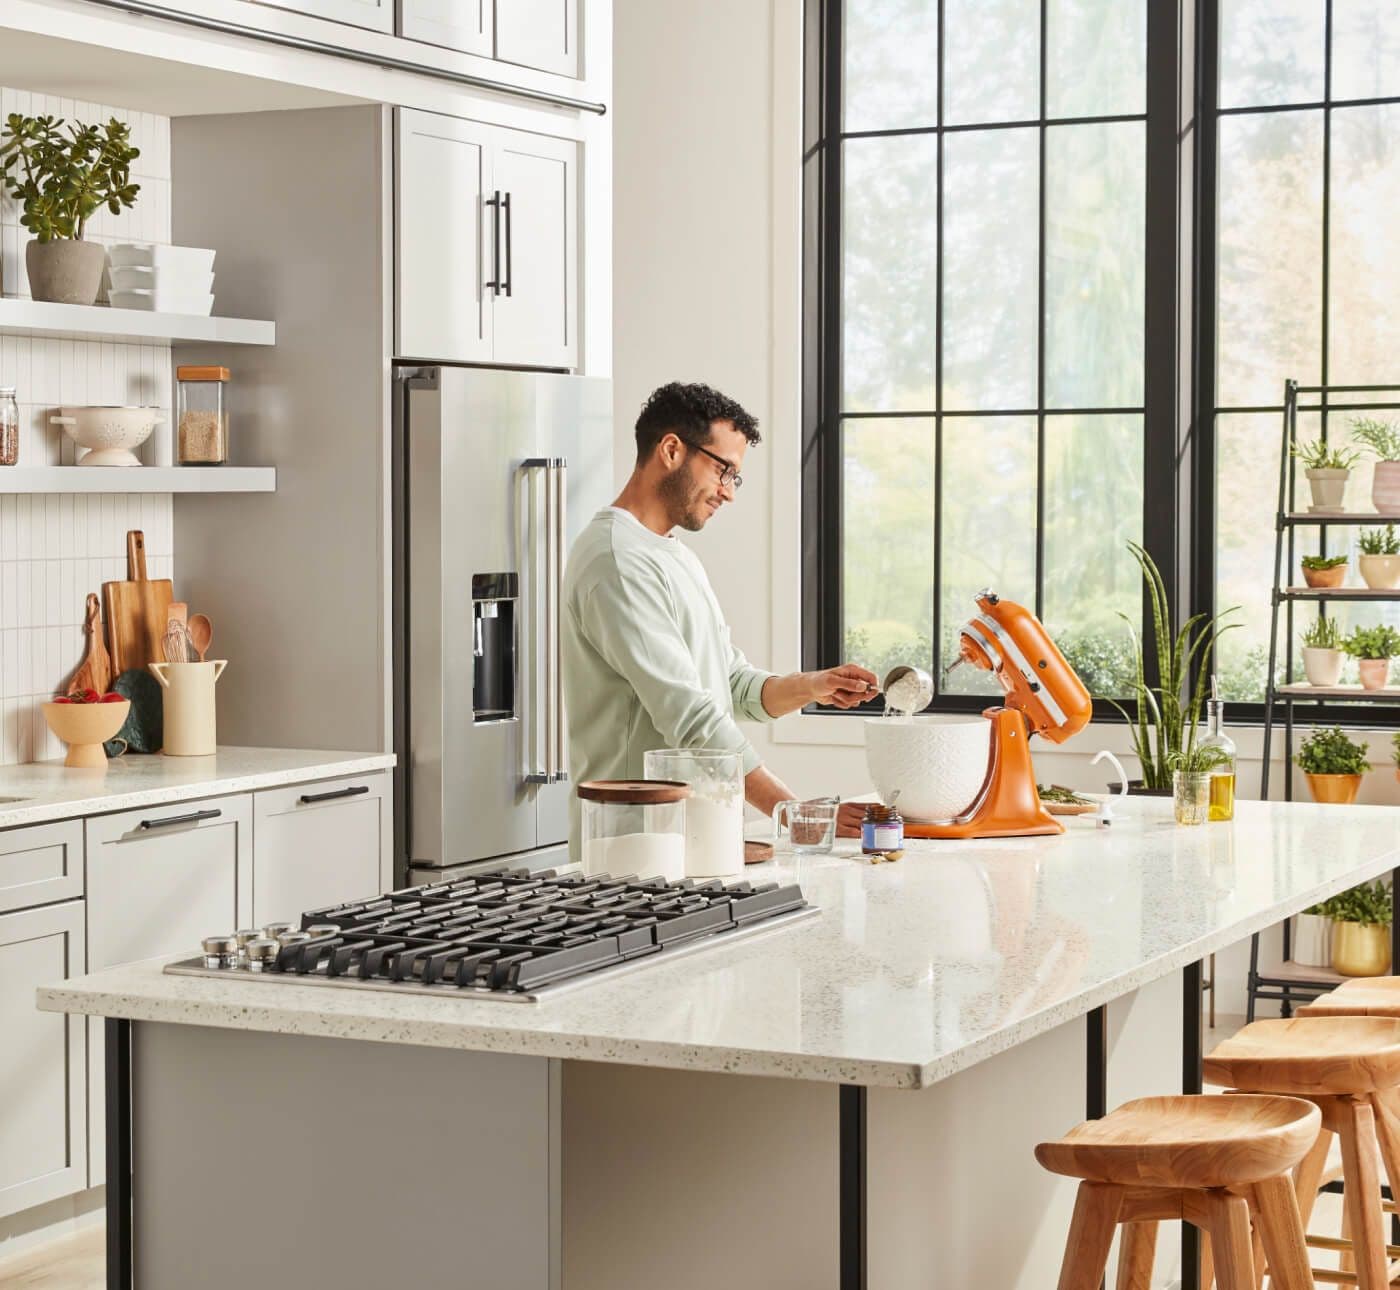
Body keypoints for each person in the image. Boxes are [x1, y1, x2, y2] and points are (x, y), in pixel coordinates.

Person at [562, 381, 877, 841]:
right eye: (723, 470)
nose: (728, 492)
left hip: (691, 838)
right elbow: (689, 716)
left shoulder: (672, 555)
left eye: (734, 477)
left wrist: (813, 687)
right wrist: (793, 813)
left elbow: (730, 684)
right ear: (672, 450)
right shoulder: (617, 561)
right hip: (634, 844)